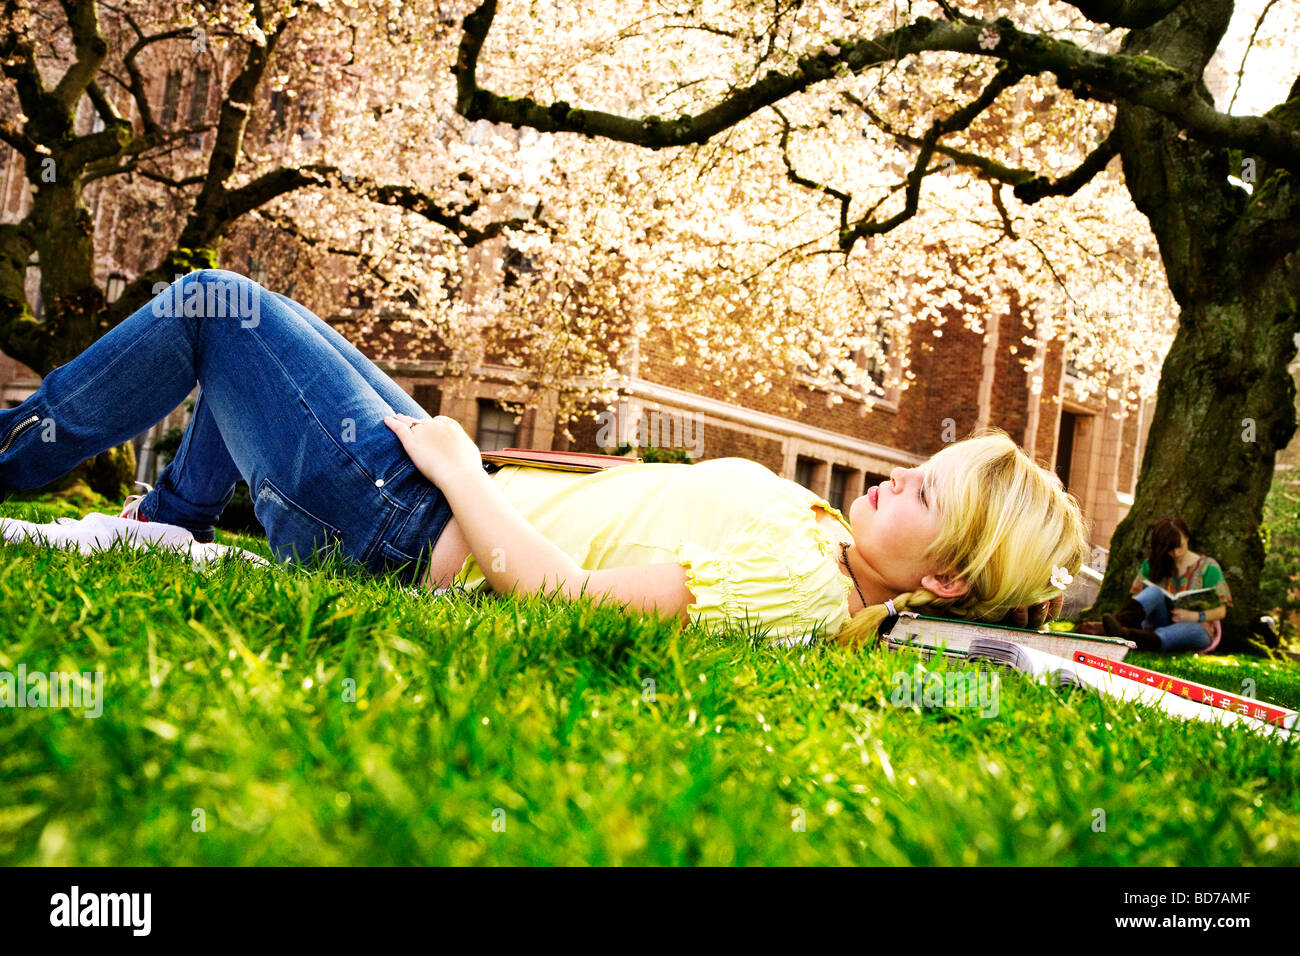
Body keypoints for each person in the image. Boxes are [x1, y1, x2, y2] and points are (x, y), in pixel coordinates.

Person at [0, 269, 1090, 648]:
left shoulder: (797, 582)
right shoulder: (835, 557)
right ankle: (170, 521)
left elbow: (563, 600)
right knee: (265, 319)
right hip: (431, 500)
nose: (896, 475)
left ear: (942, 575)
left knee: (217, 305)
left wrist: (460, 473)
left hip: (406, 531)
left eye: (922, 494)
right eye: (916, 468)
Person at [1101, 515, 1231, 653]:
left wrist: (1194, 616)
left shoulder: (1208, 567)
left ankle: (1128, 637)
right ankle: (1115, 626)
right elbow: (1137, 597)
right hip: (1158, 622)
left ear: (1187, 537)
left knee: (1192, 630)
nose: (1176, 553)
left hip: (1195, 627)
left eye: (1179, 546)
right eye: (1170, 549)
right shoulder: (1153, 564)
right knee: (1154, 592)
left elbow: (1221, 611)